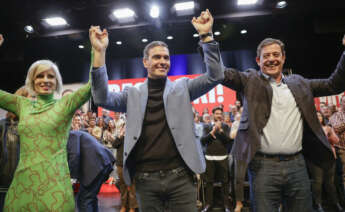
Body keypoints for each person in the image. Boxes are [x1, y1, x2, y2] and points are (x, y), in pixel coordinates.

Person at [89, 9, 224, 211]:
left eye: (166, 58)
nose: (163, 61)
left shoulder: (183, 88)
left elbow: (215, 76)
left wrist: (206, 36)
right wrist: (99, 53)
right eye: (157, 57)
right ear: (145, 62)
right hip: (145, 180)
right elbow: (100, 97)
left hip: (181, 177)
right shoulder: (132, 94)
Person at [221, 35, 345, 212]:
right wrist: (207, 39)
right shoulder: (249, 81)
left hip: (297, 165)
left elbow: (334, 85)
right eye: (266, 56)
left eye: (276, 54)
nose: (272, 59)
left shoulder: (300, 84)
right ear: (258, 60)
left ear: (283, 58)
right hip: (263, 167)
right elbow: (219, 73)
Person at [0, 34, 91, 211]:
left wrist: (98, 51)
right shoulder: (21, 104)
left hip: (55, 188)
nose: (45, 80)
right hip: (22, 187)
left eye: (51, 76)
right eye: (40, 76)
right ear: (32, 81)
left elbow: (92, 87)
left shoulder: (65, 104)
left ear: (57, 81)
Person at [306, 112, 344, 212]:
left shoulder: (328, 128)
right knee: (317, 183)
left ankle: (336, 203)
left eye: (319, 115)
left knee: (330, 184)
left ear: (322, 117)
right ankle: (318, 205)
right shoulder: (308, 129)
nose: (318, 117)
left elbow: (336, 141)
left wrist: (330, 133)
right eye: (316, 115)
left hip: (329, 158)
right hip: (315, 160)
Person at [200, 106, 232, 212]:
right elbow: (203, 140)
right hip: (209, 158)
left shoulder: (226, 127)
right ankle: (208, 204)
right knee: (209, 182)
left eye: (220, 113)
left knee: (225, 182)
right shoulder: (206, 126)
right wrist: (213, 131)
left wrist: (221, 131)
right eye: (216, 113)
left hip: (222, 157)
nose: (218, 115)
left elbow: (228, 141)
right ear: (212, 115)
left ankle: (226, 205)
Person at [112, 123, 138, 212]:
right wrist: (120, 135)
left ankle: (132, 207)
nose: (125, 128)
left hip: (131, 165)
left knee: (132, 187)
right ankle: (123, 206)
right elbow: (114, 145)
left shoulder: (134, 137)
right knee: (122, 186)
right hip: (120, 164)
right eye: (124, 127)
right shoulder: (120, 138)